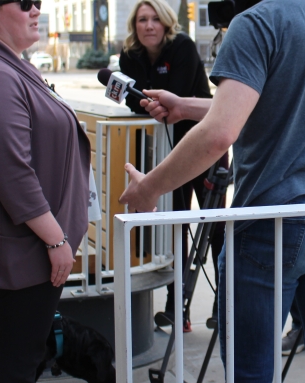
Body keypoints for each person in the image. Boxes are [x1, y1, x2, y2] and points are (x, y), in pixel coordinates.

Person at [120, 0, 305, 380]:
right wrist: (185, 107)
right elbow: (271, 102)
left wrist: (150, 188)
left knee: (250, 371)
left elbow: (221, 133)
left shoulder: (257, 22)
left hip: (276, 218)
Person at [0, 0, 91, 381]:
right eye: (25, 3)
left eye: (39, 3)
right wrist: (55, 240)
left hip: (27, 252)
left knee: (15, 360)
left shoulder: (9, 65)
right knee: (16, 366)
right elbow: (13, 173)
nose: (35, 10)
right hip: (22, 255)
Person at [118, 0, 227, 330]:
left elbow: (172, 97)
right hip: (167, 154)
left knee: (215, 229)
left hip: (203, 148)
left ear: (166, 23)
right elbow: (132, 101)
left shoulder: (182, 47)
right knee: (176, 228)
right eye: (141, 19)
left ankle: (224, 306)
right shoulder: (128, 57)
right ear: (134, 26)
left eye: (155, 19)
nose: (148, 25)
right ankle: (176, 309)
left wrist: (144, 99)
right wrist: (144, 100)